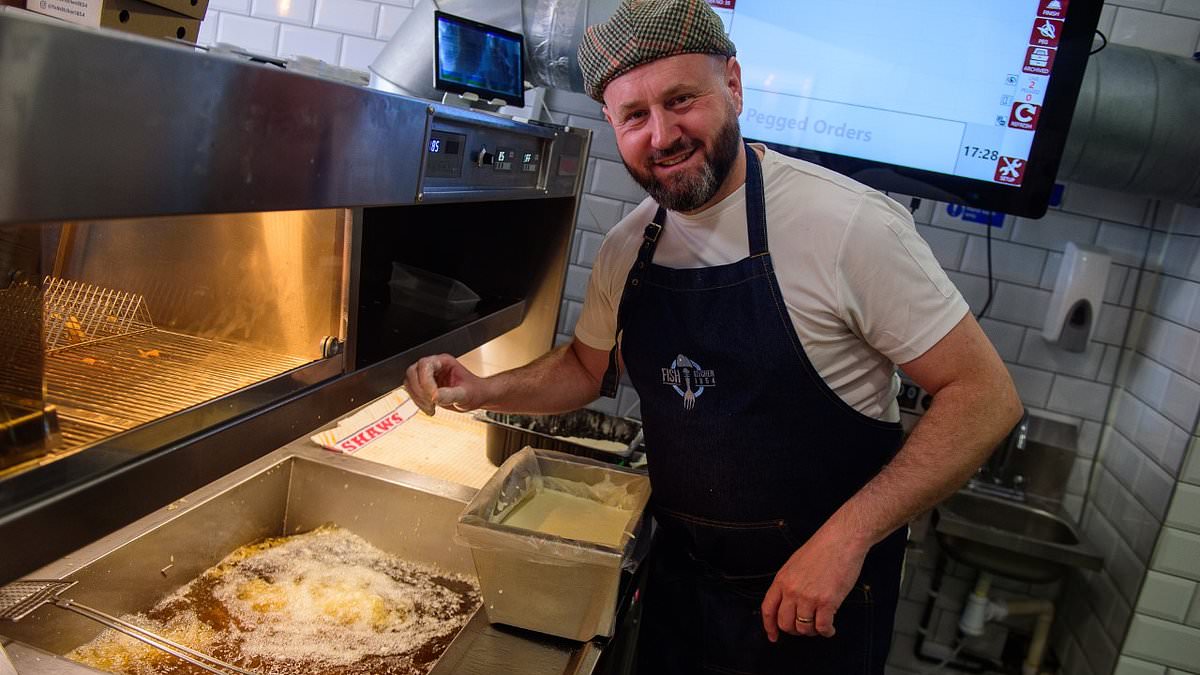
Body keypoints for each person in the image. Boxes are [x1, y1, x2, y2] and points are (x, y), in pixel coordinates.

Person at [405, 0, 1022, 672]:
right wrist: (482, 388)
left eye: (681, 99)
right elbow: (585, 369)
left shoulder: (848, 226)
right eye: (634, 115)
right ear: (612, 123)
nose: (662, 133)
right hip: (681, 589)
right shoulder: (628, 249)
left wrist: (847, 537)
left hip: (815, 601)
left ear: (732, 83)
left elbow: (984, 395)